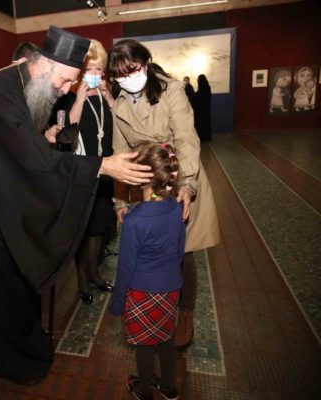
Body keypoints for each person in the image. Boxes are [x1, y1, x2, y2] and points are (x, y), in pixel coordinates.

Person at [0, 26, 153, 385]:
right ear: (44, 65)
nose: (65, 88)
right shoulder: (1, 95)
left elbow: (18, 146)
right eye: (65, 80)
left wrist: (43, 138)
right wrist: (102, 166)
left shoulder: (16, 84)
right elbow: (27, 160)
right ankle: (6, 357)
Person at [108, 39, 220, 348]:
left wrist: (187, 184)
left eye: (132, 70)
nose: (126, 79)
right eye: (119, 75)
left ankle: (185, 313)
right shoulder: (119, 103)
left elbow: (186, 138)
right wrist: (120, 199)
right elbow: (119, 153)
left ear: (145, 64)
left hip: (179, 173)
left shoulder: (171, 90)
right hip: (143, 182)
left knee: (184, 250)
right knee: (147, 250)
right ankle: (152, 308)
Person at [111, 141, 185, 400]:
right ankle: (168, 386)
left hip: (142, 292)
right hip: (171, 289)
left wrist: (117, 303)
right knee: (166, 338)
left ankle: (144, 389)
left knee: (144, 343)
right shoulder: (176, 209)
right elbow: (179, 252)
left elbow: (126, 268)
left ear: (140, 178)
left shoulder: (135, 221)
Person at [50, 39, 115, 304]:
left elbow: (119, 122)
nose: (94, 74)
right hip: (81, 172)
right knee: (83, 229)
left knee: (99, 227)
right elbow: (68, 130)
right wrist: (79, 98)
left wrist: (108, 97)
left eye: (99, 69)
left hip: (106, 169)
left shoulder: (107, 93)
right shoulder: (67, 95)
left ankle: (94, 273)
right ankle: (82, 281)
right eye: (89, 69)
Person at [193, 74, 212, 142]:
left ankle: (202, 137)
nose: (197, 80)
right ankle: (206, 137)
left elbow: (197, 100)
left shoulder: (201, 90)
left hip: (200, 111)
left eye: (198, 79)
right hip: (206, 110)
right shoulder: (207, 88)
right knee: (206, 123)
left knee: (200, 124)